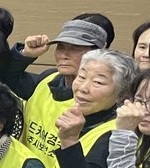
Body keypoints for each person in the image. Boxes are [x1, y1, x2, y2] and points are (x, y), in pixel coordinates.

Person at [18, 18, 109, 157]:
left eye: (75, 48)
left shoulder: (98, 102)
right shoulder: (48, 78)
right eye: (61, 47)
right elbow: (5, 77)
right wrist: (24, 55)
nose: (64, 55)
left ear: (97, 53)